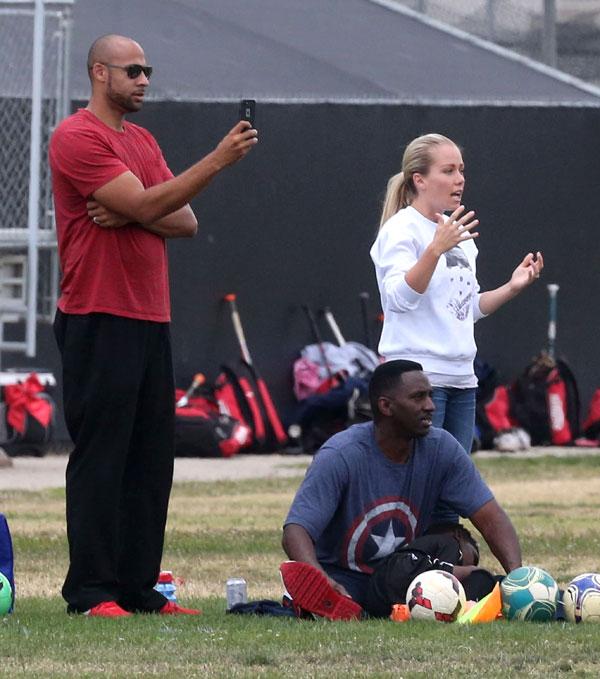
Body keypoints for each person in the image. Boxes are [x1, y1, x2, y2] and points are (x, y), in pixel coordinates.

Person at [48, 34, 258, 617]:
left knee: (149, 459)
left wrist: (134, 207)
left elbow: (184, 219)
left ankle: (139, 590)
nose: (144, 80)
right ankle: (90, 592)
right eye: (133, 70)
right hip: (97, 315)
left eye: (148, 71)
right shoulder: (77, 136)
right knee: (102, 457)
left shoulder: (141, 139)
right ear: (99, 73)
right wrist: (214, 161)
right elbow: (152, 207)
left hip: (149, 317)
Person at [280, 360, 521, 620]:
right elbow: (296, 531)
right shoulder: (340, 454)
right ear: (386, 406)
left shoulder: (442, 448)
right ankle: (328, 603)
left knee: (460, 549)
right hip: (352, 582)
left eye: (429, 395)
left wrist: (519, 578)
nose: (430, 405)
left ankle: (461, 589)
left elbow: (490, 517)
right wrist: (320, 579)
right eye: (418, 397)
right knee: (410, 574)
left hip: (409, 568)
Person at [370, 134, 544, 460]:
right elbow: (398, 300)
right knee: (419, 487)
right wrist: (435, 250)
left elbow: (466, 308)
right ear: (419, 180)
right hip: (418, 381)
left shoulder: (459, 233)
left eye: (461, 170)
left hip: (463, 379)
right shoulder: (400, 230)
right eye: (448, 171)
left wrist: (512, 287)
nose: (459, 179)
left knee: (453, 489)